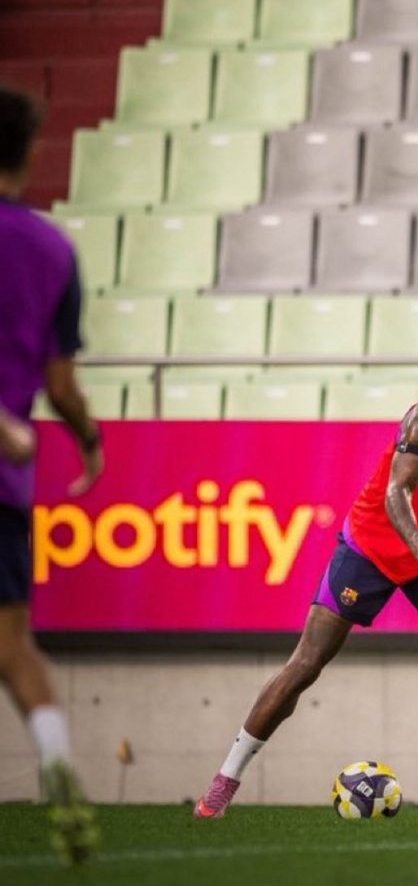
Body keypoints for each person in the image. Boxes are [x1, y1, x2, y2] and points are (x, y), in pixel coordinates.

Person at [195, 333, 418, 821]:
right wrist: (415, 542)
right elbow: (398, 488)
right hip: (374, 546)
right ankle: (225, 780)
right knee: (306, 664)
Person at [0, 86, 103, 864]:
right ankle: (59, 765)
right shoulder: (52, 248)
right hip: (7, 479)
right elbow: (62, 387)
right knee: (13, 642)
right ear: (29, 151)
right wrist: (88, 441)